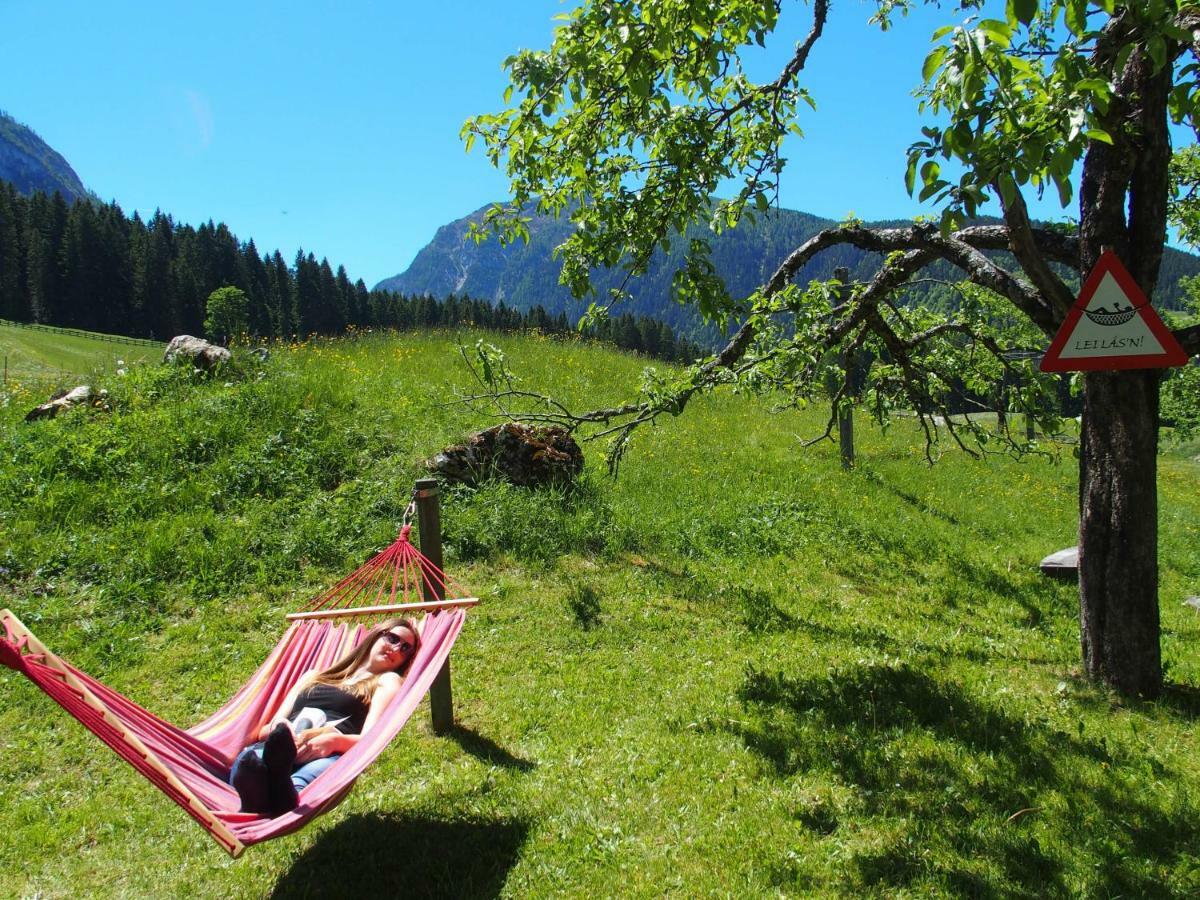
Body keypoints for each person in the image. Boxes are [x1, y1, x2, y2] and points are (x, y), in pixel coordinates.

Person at [229, 616, 420, 816]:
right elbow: (266, 730)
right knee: (249, 763)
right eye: (393, 638)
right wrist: (284, 731)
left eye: (406, 649)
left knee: (291, 783)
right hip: (281, 744)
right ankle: (271, 784)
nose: (397, 648)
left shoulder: (387, 681)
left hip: (326, 753)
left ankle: (274, 793)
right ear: (376, 636)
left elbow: (371, 740)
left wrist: (333, 741)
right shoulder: (313, 676)